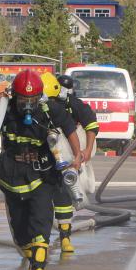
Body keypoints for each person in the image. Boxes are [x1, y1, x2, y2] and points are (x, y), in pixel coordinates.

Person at [0, 69, 82, 270]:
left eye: (32, 99)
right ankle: (33, 265)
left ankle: (39, 268)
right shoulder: (7, 110)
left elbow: (70, 129)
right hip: (13, 176)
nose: (27, 105)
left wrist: (77, 157)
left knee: (41, 222)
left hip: (42, 174)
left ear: (39, 96)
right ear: (15, 96)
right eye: (23, 99)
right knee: (22, 235)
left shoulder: (49, 110)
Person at [42, 72, 100, 253]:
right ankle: (41, 240)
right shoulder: (36, 106)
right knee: (41, 199)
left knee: (64, 194)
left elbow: (89, 124)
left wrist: (85, 151)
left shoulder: (71, 104)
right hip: (42, 154)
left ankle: (65, 238)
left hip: (66, 151)